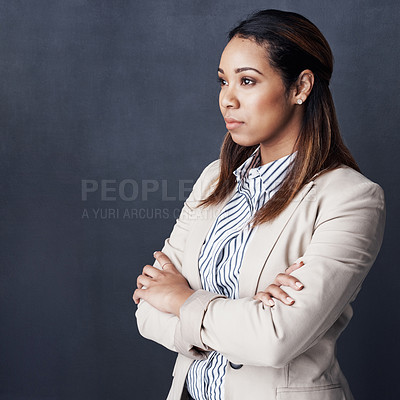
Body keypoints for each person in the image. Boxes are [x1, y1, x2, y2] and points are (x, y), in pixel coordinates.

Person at [133, 9, 385, 400]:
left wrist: (181, 298)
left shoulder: (351, 198)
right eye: (223, 81)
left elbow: (274, 340)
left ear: (301, 87)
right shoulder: (214, 179)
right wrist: (244, 316)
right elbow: (146, 310)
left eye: (247, 81)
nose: (227, 100)